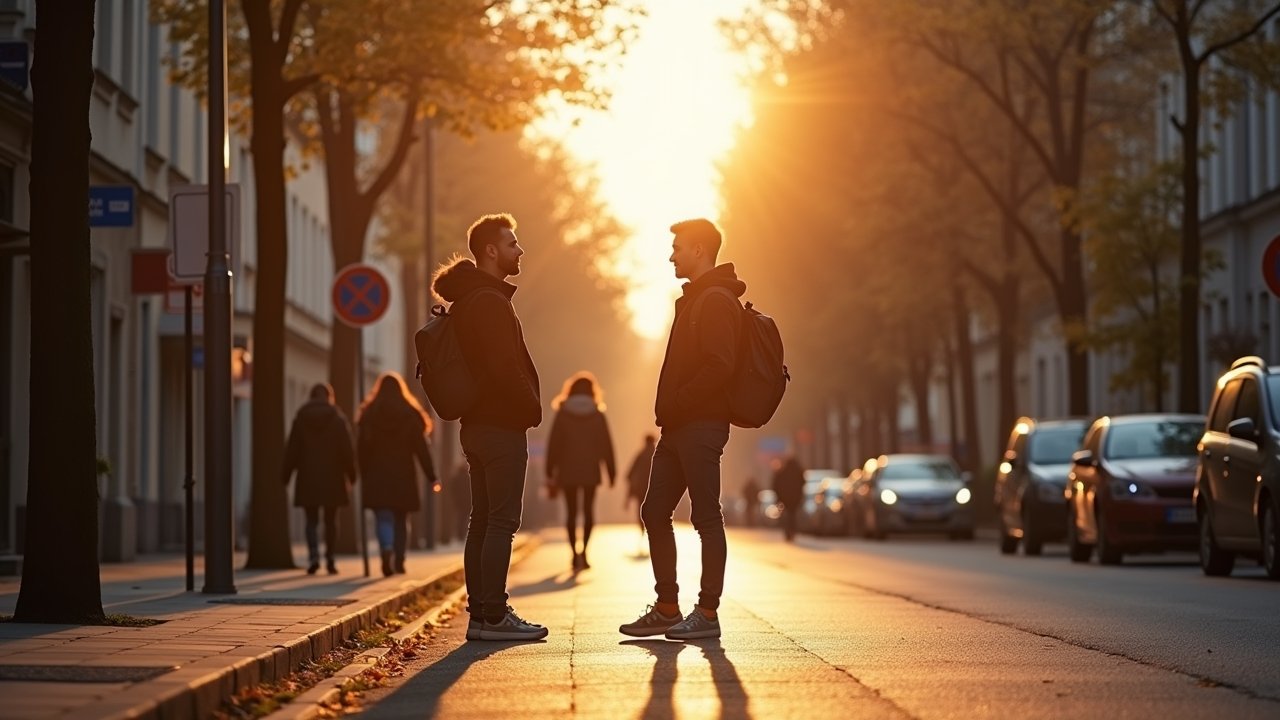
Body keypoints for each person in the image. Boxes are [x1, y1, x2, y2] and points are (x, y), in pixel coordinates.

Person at [620, 218, 745, 642]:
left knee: (706, 518)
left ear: (698, 250)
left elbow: (721, 365)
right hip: (677, 428)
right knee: (654, 511)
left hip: (701, 426)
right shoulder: (693, 300)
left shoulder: (714, 300)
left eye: (677, 247)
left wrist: (679, 402)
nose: (671, 254)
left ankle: (707, 612)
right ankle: (668, 607)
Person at [432, 213, 547, 642]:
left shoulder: (469, 300)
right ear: (491, 251)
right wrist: (530, 408)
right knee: (501, 522)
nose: (520, 250)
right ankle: (495, 615)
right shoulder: (490, 302)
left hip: (476, 426)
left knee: (480, 521)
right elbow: (504, 367)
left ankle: (480, 615)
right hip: (501, 426)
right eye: (512, 243)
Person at [356, 371, 437, 577]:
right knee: (401, 519)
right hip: (403, 476)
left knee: (383, 517)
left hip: (377, 475)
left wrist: (360, 470)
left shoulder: (370, 414)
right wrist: (432, 476)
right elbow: (421, 449)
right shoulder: (410, 415)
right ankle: (399, 560)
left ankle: (386, 548)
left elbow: (361, 447)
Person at [546, 371, 617, 572]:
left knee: (571, 512)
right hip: (590, 470)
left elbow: (554, 444)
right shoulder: (597, 415)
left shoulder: (562, 414)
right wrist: (611, 472)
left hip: (567, 470)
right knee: (588, 511)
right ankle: (584, 552)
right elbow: (606, 445)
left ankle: (573, 554)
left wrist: (550, 469)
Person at [282, 383, 356, 575]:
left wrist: (286, 475)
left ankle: (313, 555)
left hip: (308, 476)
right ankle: (330, 558)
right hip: (333, 476)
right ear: (329, 397)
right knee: (331, 520)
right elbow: (346, 450)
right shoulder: (338, 419)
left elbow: (292, 449)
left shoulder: (301, 418)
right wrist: (352, 474)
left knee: (311, 520)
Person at [624, 434, 657, 537]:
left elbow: (629, 475)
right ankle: (651, 534)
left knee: (642, 511)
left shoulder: (641, 455)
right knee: (654, 512)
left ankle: (643, 532)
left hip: (642, 489)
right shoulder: (658, 454)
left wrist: (629, 494)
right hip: (655, 490)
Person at [772, 456, 805, 542]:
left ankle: (788, 531)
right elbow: (803, 483)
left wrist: (779, 497)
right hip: (795, 498)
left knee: (786, 515)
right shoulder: (798, 471)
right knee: (792, 515)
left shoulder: (783, 471)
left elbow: (775, 484)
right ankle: (792, 531)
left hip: (785, 498)